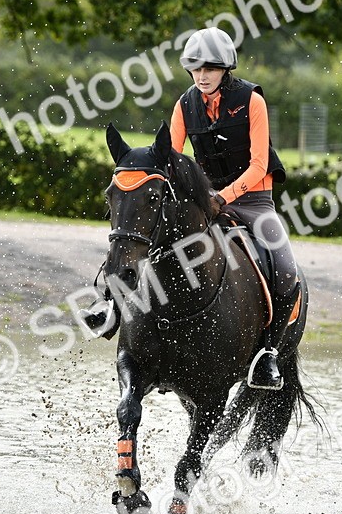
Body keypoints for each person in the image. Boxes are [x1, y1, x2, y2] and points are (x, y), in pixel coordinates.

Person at [87, 27, 300, 390]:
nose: (202, 76)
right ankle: (112, 307)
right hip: (205, 198)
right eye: (196, 69)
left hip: (252, 199)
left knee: (284, 270)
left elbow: (260, 164)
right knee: (145, 238)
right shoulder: (185, 104)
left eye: (210, 69)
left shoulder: (252, 101)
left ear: (225, 70)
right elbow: (171, 157)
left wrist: (222, 197)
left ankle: (267, 355)